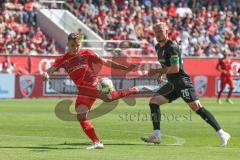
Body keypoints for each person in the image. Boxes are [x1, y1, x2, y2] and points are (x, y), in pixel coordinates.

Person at [41, 33, 154, 149]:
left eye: (77, 45)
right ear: (67, 45)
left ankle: (97, 142)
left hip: (94, 84)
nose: (75, 48)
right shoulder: (62, 59)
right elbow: (51, 70)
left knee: (99, 103)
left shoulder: (87, 53)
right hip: (84, 90)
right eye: (72, 45)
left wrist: (124, 68)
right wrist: (46, 74)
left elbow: (105, 62)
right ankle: (97, 142)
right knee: (85, 112)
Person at [140, 22, 231, 147]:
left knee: (197, 107)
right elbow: (166, 65)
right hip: (172, 83)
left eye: (161, 31)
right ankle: (156, 135)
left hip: (182, 82)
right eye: (156, 31)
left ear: (167, 31)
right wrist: (161, 74)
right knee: (154, 101)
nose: (158, 33)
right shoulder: (158, 47)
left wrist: (156, 71)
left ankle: (222, 133)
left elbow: (176, 68)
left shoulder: (171, 47)